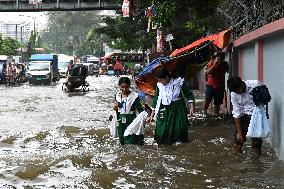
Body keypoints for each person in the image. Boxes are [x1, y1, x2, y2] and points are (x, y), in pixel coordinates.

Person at [150, 67, 195, 145]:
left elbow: (188, 93)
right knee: (162, 127)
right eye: (159, 80)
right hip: (164, 108)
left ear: (167, 77)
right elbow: (156, 97)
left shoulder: (179, 82)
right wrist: (153, 111)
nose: (160, 82)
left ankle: (180, 144)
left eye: (161, 80)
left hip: (178, 108)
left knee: (180, 126)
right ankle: (163, 143)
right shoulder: (159, 85)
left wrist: (191, 106)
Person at [227, 76, 263, 156]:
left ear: (242, 84)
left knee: (256, 148)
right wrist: (239, 132)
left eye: (238, 90)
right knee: (237, 144)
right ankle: (237, 165)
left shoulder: (256, 85)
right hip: (242, 118)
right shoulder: (233, 94)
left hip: (256, 118)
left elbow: (265, 99)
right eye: (235, 92)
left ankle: (256, 166)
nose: (238, 93)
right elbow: (237, 113)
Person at [113, 77, 144, 145]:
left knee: (130, 140)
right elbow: (116, 110)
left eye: (126, 87)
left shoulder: (135, 96)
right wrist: (115, 108)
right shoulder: (117, 96)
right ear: (119, 86)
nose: (124, 89)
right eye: (122, 87)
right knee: (122, 141)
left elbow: (141, 110)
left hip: (131, 120)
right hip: (120, 121)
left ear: (129, 86)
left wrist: (145, 118)